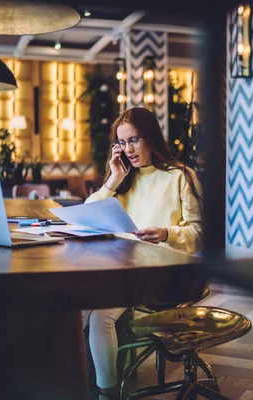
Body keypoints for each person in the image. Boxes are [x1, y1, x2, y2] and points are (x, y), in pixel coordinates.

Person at [82, 107, 204, 398]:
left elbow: (199, 234)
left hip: (169, 273)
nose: (129, 149)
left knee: (99, 315)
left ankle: (107, 391)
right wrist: (112, 179)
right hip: (130, 271)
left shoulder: (180, 175)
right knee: (83, 308)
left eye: (134, 139)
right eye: (122, 143)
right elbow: (87, 215)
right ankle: (106, 386)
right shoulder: (124, 181)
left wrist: (166, 233)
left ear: (151, 138)